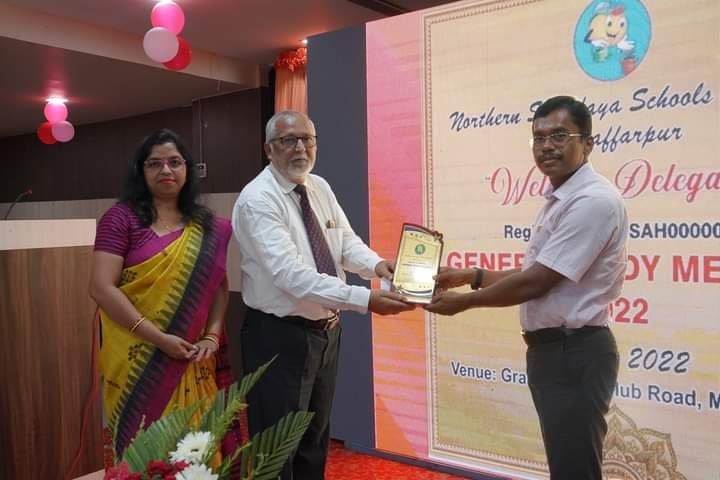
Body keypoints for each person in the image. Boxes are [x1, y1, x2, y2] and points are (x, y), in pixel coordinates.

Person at [426, 96, 628, 480]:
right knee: (567, 464)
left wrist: (465, 302)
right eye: (539, 137)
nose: (546, 146)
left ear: (588, 143)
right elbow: (536, 273)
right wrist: (471, 275)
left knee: (574, 470)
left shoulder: (592, 201)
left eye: (559, 136)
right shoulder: (562, 197)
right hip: (557, 352)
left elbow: (537, 281)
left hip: (573, 353)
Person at [231, 111, 414, 479]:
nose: (300, 147)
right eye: (289, 140)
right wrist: (365, 300)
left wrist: (379, 266)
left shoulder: (319, 187)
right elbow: (290, 275)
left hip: (325, 333)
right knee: (276, 447)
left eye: (308, 139)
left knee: (314, 439)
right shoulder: (258, 200)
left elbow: (344, 243)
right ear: (269, 149)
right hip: (278, 337)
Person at [89, 129, 236, 464]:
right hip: (139, 362)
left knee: (197, 451)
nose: (165, 170)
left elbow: (219, 286)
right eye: (154, 163)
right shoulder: (121, 219)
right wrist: (159, 339)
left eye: (174, 162)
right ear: (141, 171)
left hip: (193, 357)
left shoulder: (208, 226)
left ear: (187, 168)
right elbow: (100, 287)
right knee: (144, 453)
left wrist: (212, 335)